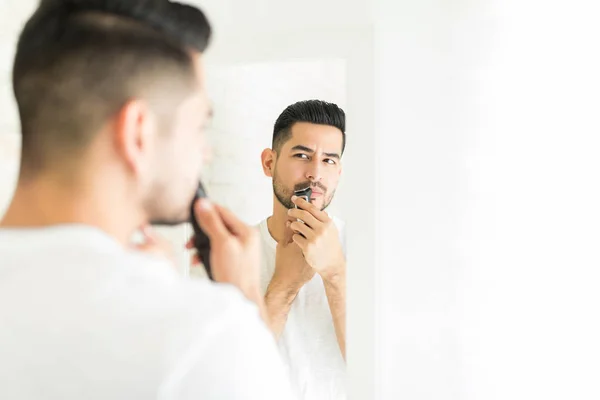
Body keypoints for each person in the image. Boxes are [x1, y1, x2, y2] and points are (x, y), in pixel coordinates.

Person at [0, 1, 294, 399]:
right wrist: (245, 300)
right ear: (139, 133)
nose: (204, 152)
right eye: (198, 125)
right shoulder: (203, 338)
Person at [258, 100, 348, 400]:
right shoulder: (232, 252)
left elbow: (384, 371)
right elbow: (221, 377)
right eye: (302, 155)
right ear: (269, 163)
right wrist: (283, 286)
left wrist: (336, 274)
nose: (315, 174)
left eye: (329, 160)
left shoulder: (368, 252)